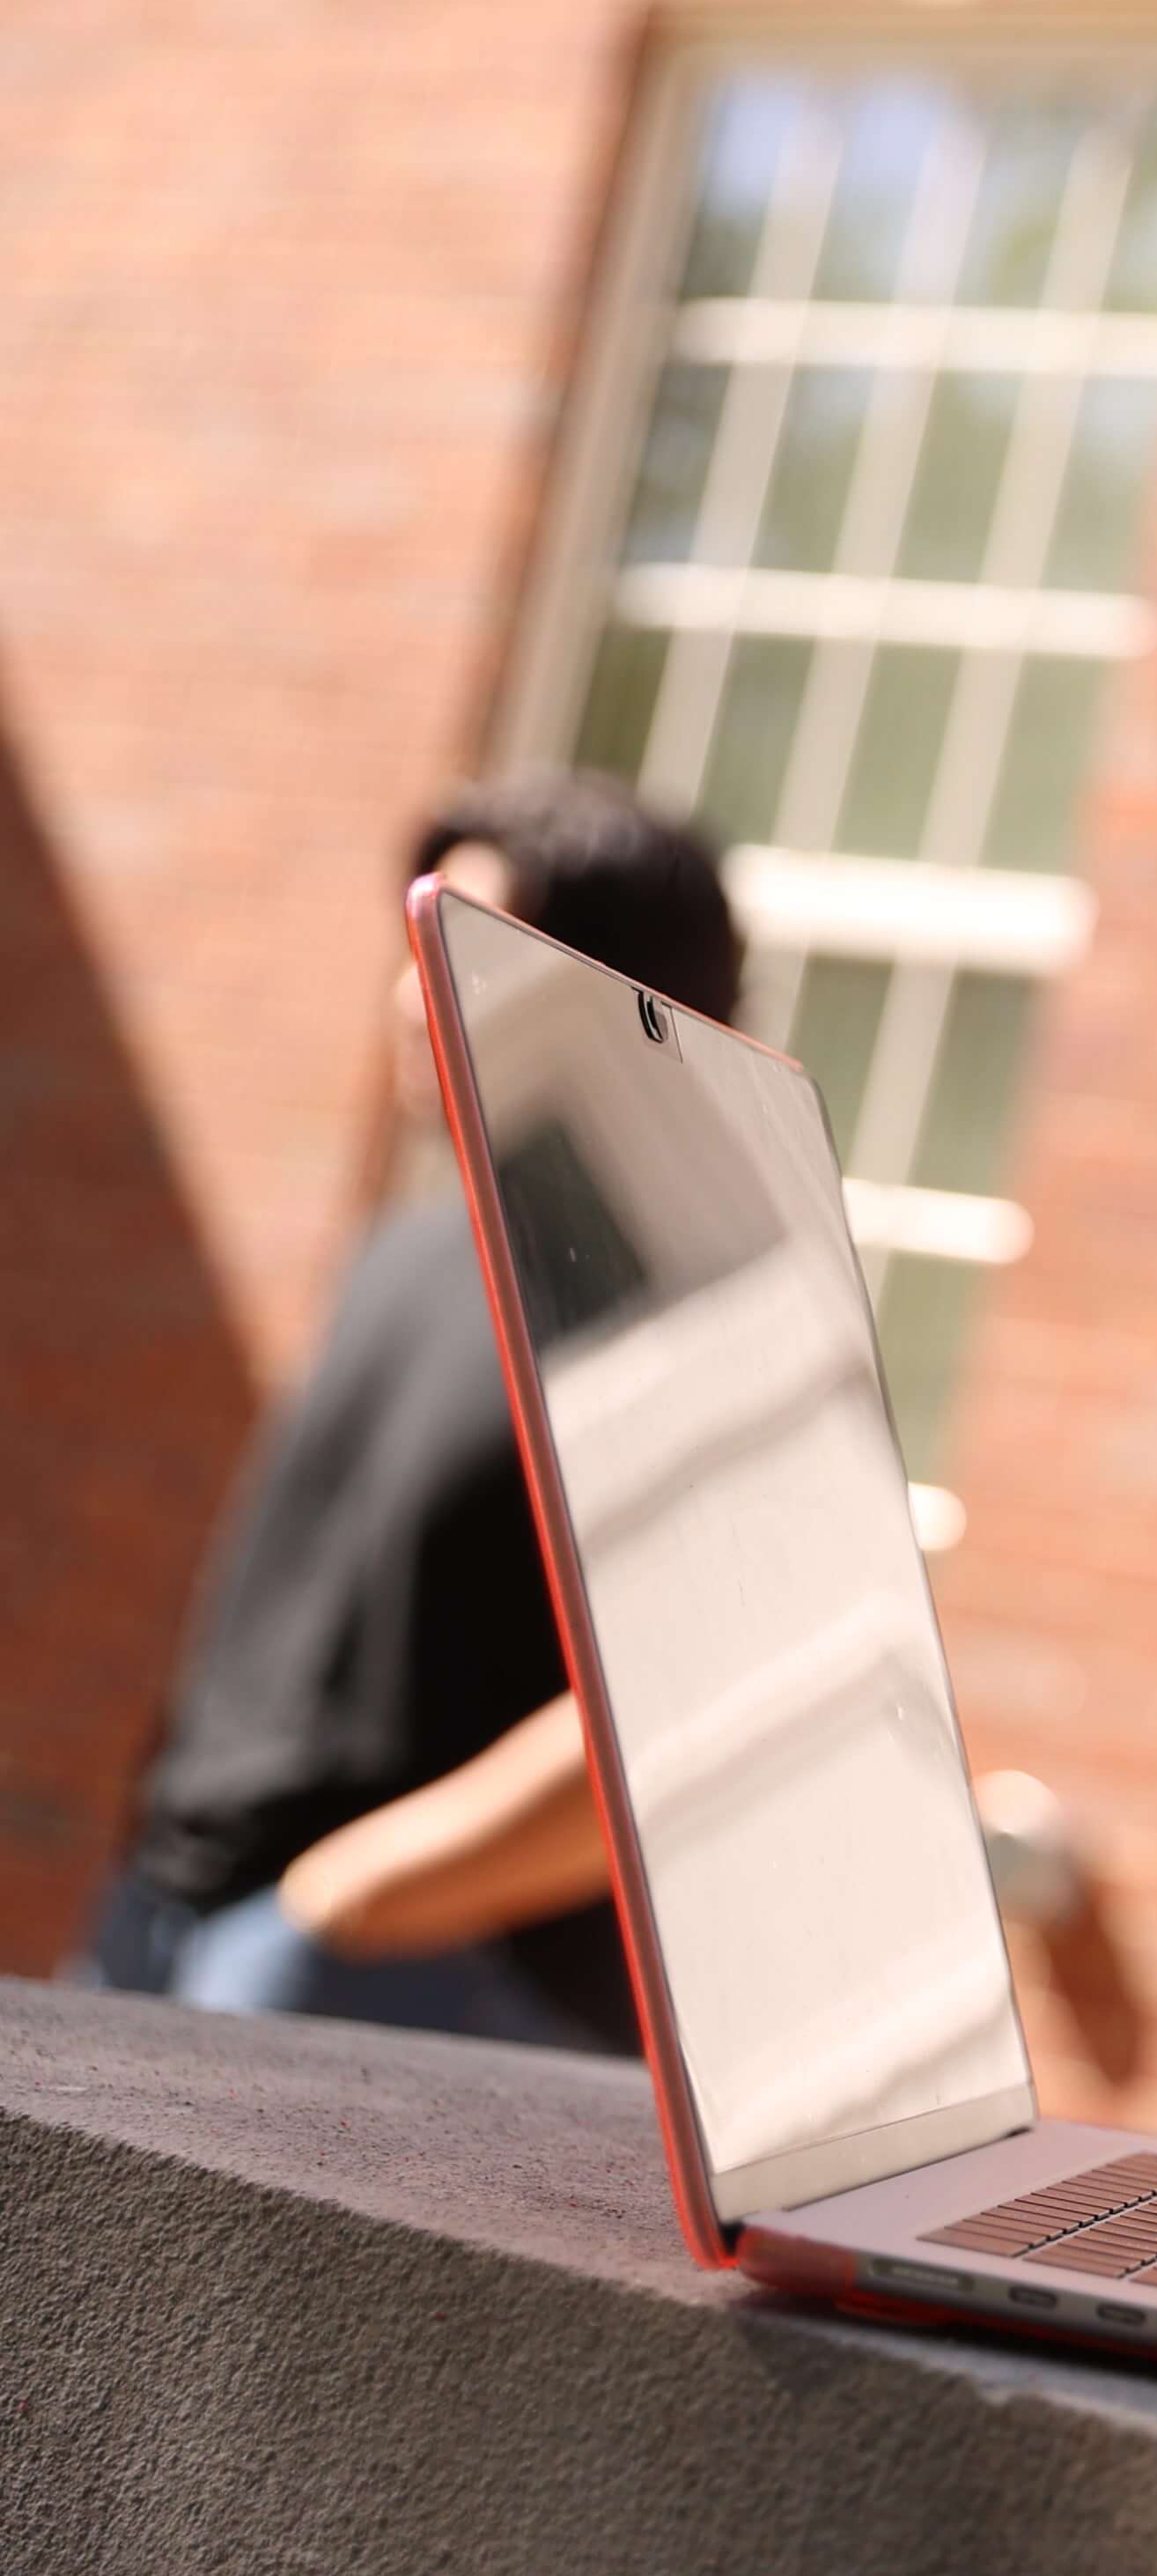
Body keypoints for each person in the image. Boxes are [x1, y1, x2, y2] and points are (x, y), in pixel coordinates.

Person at [74, 777, 743, 2051]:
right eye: (408, 946)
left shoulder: (688, 1306)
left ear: (608, 992)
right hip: (162, 1919)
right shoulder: (419, 1250)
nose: (403, 995)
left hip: (396, 1987)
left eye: (453, 950)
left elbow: (700, 1696)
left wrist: (346, 1907)